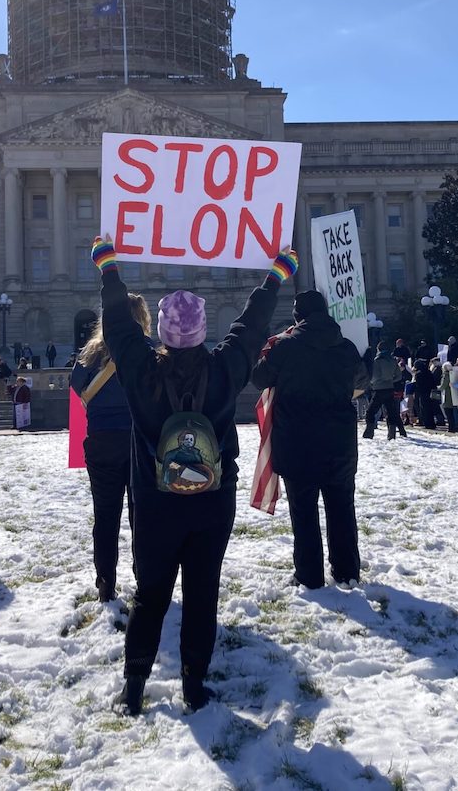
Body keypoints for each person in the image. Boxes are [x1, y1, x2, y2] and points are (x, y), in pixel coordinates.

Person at [94, 235, 297, 716]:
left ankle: (135, 684)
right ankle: (193, 684)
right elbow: (251, 326)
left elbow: (120, 325)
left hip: (156, 502)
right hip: (211, 502)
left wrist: (109, 268)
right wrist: (276, 275)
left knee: (151, 594)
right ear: (204, 331)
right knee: (202, 593)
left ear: (160, 332)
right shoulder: (227, 366)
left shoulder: (139, 368)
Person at [251, 290, 368, 589]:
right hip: (339, 443)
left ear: (297, 316)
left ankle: (309, 574)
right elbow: (361, 381)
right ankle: (347, 571)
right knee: (342, 507)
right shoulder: (345, 347)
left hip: (297, 442)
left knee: (303, 512)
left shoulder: (286, 347)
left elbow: (259, 379)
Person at [70, 294, 152, 602]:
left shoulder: (91, 354)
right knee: (141, 515)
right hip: (139, 442)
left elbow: (77, 386)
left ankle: (105, 582)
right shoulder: (147, 350)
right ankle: (145, 578)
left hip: (101, 440)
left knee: (105, 516)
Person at [363, 341, 405, 439]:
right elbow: (399, 376)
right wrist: (390, 380)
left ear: (379, 349)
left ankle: (369, 433)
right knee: (391, 412)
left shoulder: (377, 361)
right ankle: (392, 434)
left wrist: (372, 383)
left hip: (379, 389)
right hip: (390, 388)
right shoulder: (393, 361)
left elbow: (375, 376)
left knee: (370, 412)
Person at [439, 361, 458, 433]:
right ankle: (453, 427)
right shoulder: (453, 373)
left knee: (448, 412)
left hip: (447, 395)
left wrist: (438, 388)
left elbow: (443, 386)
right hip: (453, 395)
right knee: (452, 412)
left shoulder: (446, 375)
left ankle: (451, 428)